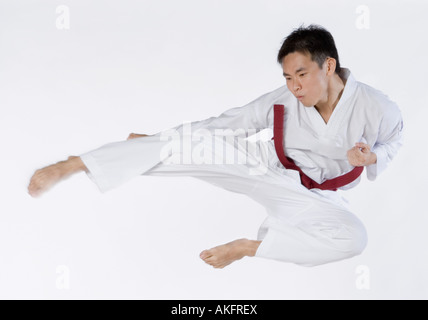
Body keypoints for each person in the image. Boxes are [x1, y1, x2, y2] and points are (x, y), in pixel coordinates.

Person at [28, 25, 403, 269]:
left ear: (329, 66)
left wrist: (373, 157)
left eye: (301, 75)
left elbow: (394, 140)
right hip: (267, 168)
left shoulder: (377, 107)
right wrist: (166, 138)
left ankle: (246, 247)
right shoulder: (284, 99)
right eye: (288, 77)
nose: (294, 86)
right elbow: (231, 122)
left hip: (316, 198)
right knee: (199, 146)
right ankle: (76, 163)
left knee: (355, 238)